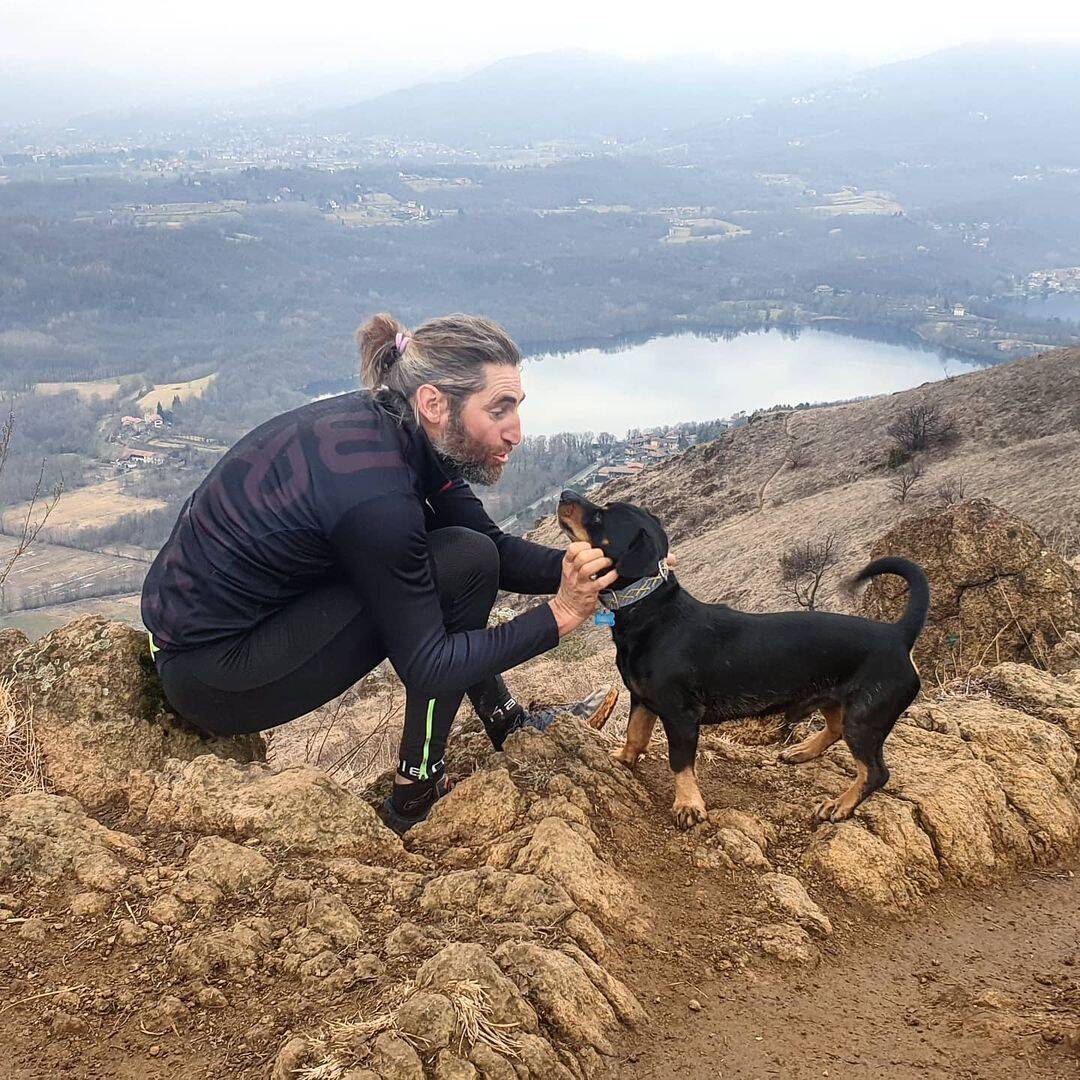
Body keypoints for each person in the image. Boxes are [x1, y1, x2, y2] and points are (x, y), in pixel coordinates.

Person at [141, 312, 619, 833]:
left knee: (470, 553)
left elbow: (497, 550)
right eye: (499, 410)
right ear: (435, 403)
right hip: (217, 674)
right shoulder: (378, 497)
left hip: (244, 624)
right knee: (464, 562)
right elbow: (429, 665)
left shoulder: (401, 433)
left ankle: (508, 725)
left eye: (517, 407)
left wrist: (606, 570)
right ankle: (416, 797)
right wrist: (565, 613)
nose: (517, 432)